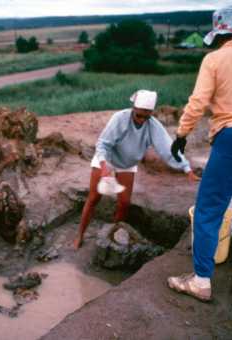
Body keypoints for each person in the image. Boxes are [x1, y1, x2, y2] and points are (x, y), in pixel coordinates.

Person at [167, 6, 232, 302]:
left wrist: (181, 134)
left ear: (218, 35)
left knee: (208, 209)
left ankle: (201, 281)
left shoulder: (214, 59)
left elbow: (198, 101)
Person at [74, 90, 199, 249]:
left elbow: (168, 149)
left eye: (146, 117)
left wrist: (186, 168)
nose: (141, 120)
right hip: (106, 159)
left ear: (151, 114)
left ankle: (112, 234)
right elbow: (103, 144)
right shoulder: (120, 118)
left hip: (127, 164)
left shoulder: (153, 126)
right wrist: (105, 166)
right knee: (93, 198)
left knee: (125, 203)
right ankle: (80, 234)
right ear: (133, 108)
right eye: (138, 115)